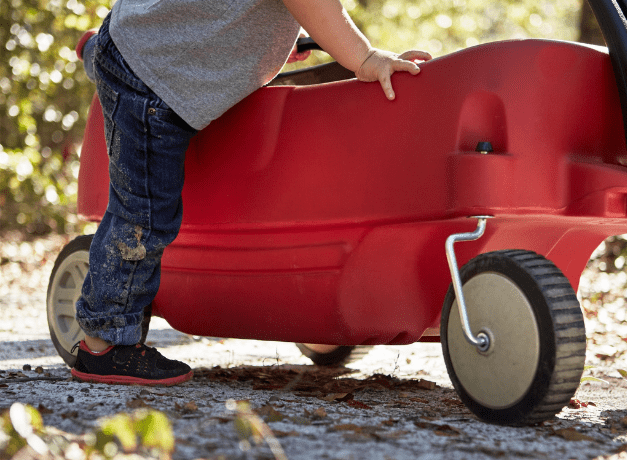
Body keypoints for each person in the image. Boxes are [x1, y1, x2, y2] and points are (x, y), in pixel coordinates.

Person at [71, 0, 432, 386]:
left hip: (149, 46)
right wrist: (366, 58)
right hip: (150, 80)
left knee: (119, 50)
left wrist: (265, 42)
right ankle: (104, 342)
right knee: (144, 213)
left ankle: (98, 51)